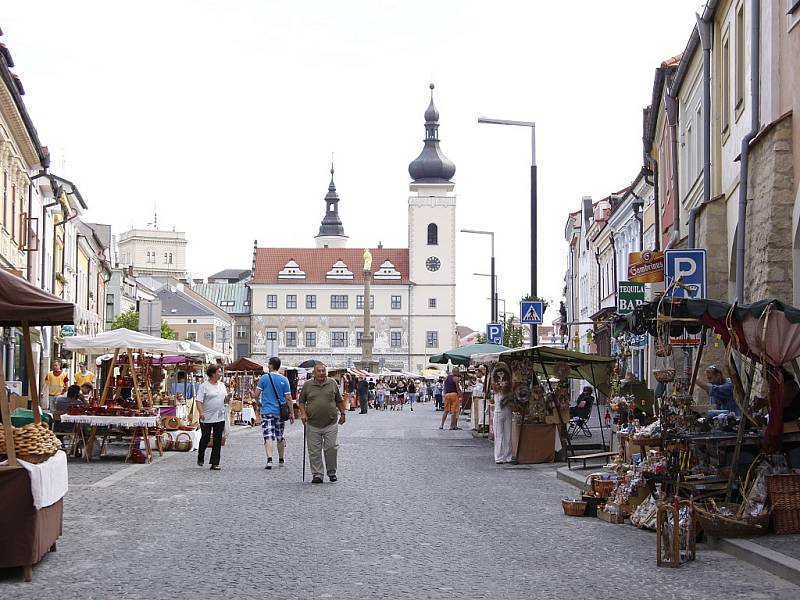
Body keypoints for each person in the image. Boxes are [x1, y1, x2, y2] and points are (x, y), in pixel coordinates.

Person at [298, 362, 347, 484]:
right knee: (314, 451)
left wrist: (343, 414)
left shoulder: (332, 383)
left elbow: (339, 400)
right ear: (314, 373)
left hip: (330, 422)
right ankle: (317, 474)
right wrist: (303, 413)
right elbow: (301, 401)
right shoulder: (308, 385)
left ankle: (331, 472)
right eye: (318, 371)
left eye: (323, 371)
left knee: (331, 448)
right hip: (312, 423)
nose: (321, 373)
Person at [253, 356, 294, 469]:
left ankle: (269, 459)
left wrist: (259, 402)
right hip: (280, 412)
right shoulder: (284, 379)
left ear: (271, 365)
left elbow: (256, 395)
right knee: (280, 436)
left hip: (267, 411)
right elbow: (289, 398)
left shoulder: (264, 378)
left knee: (268, 435)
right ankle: (281, 459)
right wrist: (292, 413)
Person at [196, 364, 229, 470]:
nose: (220, 374)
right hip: (207, 416)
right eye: (219, 372)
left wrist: (228, 398)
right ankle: (200, 456)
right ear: (213, 374)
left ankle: (215, 462)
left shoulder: (222, 385)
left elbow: (225, 400)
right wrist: (201, 412)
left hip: (219, 416)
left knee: (217, 439)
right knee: (205, 438)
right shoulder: (204, 386)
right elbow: (199, 401)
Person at [492, 364, 513, 464]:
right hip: (498, 411)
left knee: (508, 435)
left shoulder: (509, 385)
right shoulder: (495, 385)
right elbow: (495, 389)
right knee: (499, 435)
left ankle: (507, 456)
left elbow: (508, 392)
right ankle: (499, 457)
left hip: (507, 411)